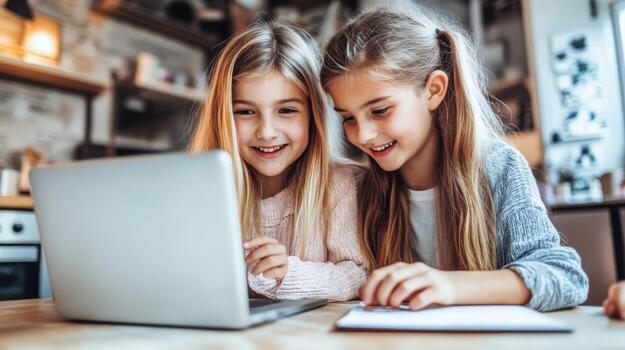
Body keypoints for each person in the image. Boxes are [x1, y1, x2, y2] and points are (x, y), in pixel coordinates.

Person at [320, 6, 588, 311]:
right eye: (348, 118)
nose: (363, 135)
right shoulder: (360, 187)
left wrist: (450, 285)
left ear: (433, 90)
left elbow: (565, 276)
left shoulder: (499, 167)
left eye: (380, 110)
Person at [189, 19, 367, 301]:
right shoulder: (200, 190)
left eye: (286, 110)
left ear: (314, 116)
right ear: (222, 117)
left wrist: (287, 274)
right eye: (246, 112)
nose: (267, 132)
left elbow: (357, 274)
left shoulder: (336, 184)